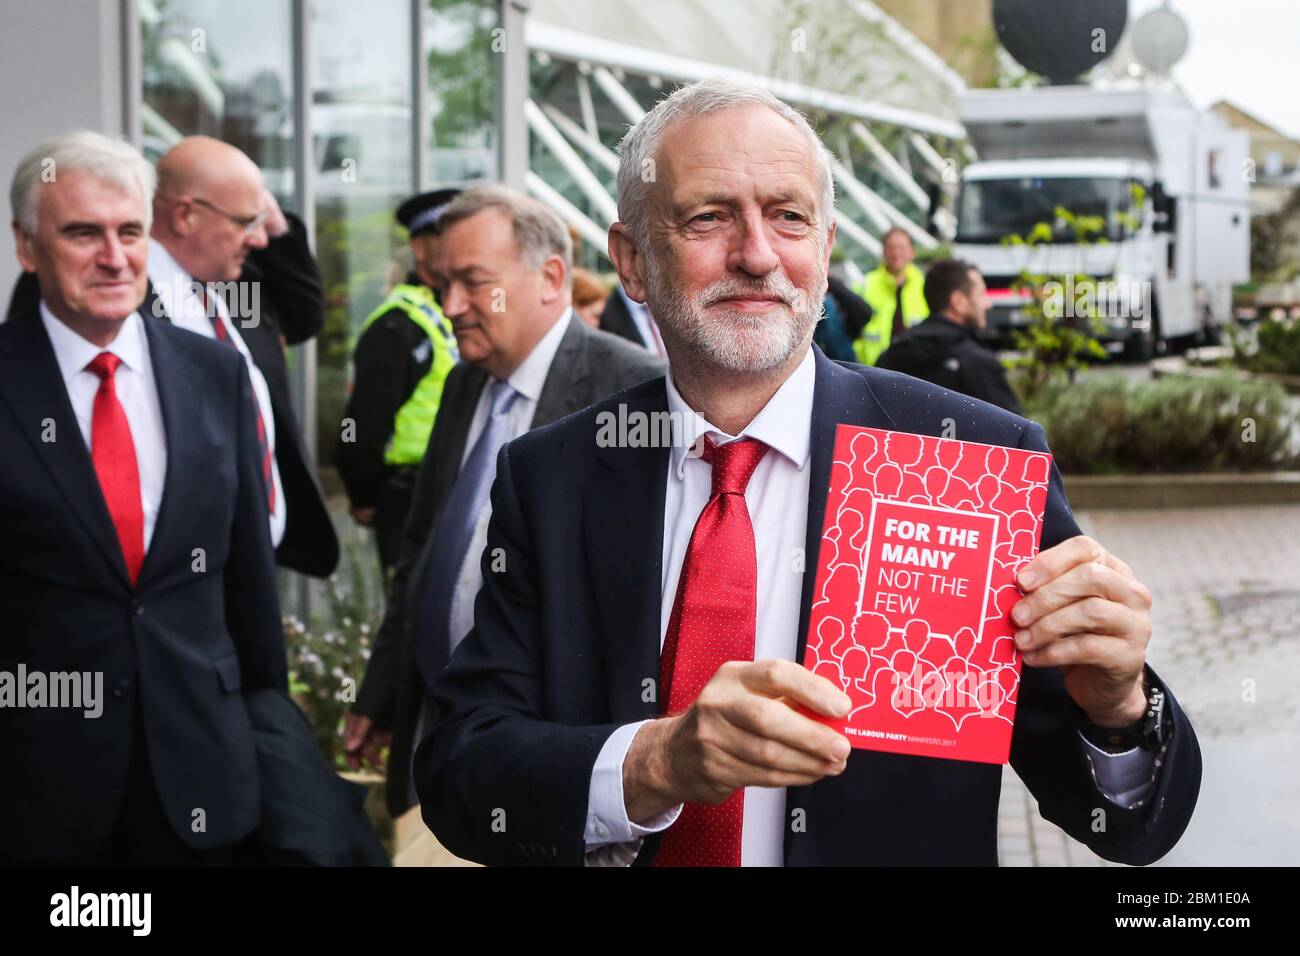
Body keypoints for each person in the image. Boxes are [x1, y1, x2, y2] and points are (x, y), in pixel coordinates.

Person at [413, 79, 1201, 867]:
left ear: (824, 250)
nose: (757, 254)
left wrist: (1117, 706)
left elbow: (1127, 826)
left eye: (788, 216)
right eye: (708, 217)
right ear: (632, 261)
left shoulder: (965, 465)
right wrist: (655, 763)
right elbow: (463, 769)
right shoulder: (553, 478)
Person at [1, 131, 285, 864]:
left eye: (129, 231)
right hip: (35, 792)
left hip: (202, 783)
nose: (114, 256)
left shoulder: (217, 374)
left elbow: (251, 601)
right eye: (81, 233)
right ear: (27, 247)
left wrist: (274, 756)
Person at [343, 185, 664, 816]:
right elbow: (422, 550)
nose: (451, 305)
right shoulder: (466, 383)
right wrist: (382, 694)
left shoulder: (632, 390)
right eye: (441, 284)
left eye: (471, 282)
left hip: (549, 757)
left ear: (550, 277)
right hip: (439, 728)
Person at [146, 136, 338, 577]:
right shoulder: (118, 298)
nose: (258, 239)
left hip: (252, 560)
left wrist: (274, 223)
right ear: (185, 214)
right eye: (244, 221)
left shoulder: (231, 287)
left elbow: (305, 315)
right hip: (175, 572)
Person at [336, 189, 460, 574]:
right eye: (448, 238)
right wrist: (365, 493)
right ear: (420, 249)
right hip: (408, 495)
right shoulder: (398, 324)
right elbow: (363, 421)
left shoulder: (453, 310)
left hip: (452, 486)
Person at [878, 259, 1022, 413]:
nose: (988, 304)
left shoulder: (891, 357)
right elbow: (1014, 431)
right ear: (958, 302)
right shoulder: (977, 364)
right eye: (980, 294)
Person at [852, 226, 928, 365]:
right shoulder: (865, 285)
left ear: (912, 252)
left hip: (915, 372)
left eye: (902, 247)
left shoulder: (925, 287)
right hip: (871, 370)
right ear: (883, 252)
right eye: (891, 247)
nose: (896, 253)